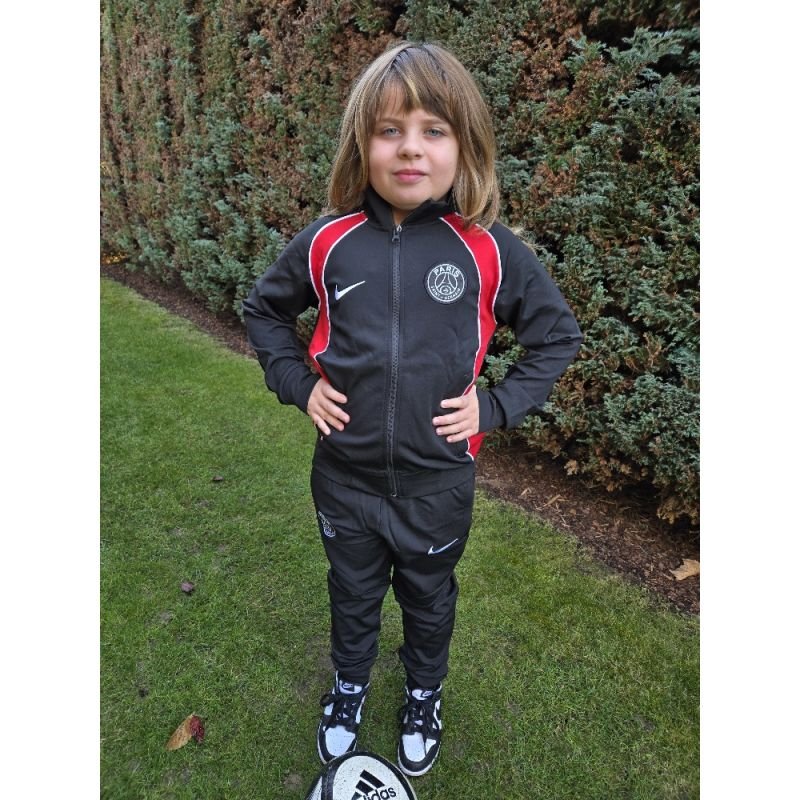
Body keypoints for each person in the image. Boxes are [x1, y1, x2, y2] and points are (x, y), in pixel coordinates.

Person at [243, 41, 582, 777]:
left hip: (437, 485)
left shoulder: (488, 251)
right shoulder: (327, 243)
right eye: (389, 129)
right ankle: (350, 685)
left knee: (429, 600)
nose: (409, 148)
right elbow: (264, 312)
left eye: (434, 130)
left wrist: (496, 406)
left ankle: (424, 693)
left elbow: (557, 336)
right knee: (352, 592)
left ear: (464, 145)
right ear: (361, 144)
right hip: (344, 479)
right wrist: (298, 384)